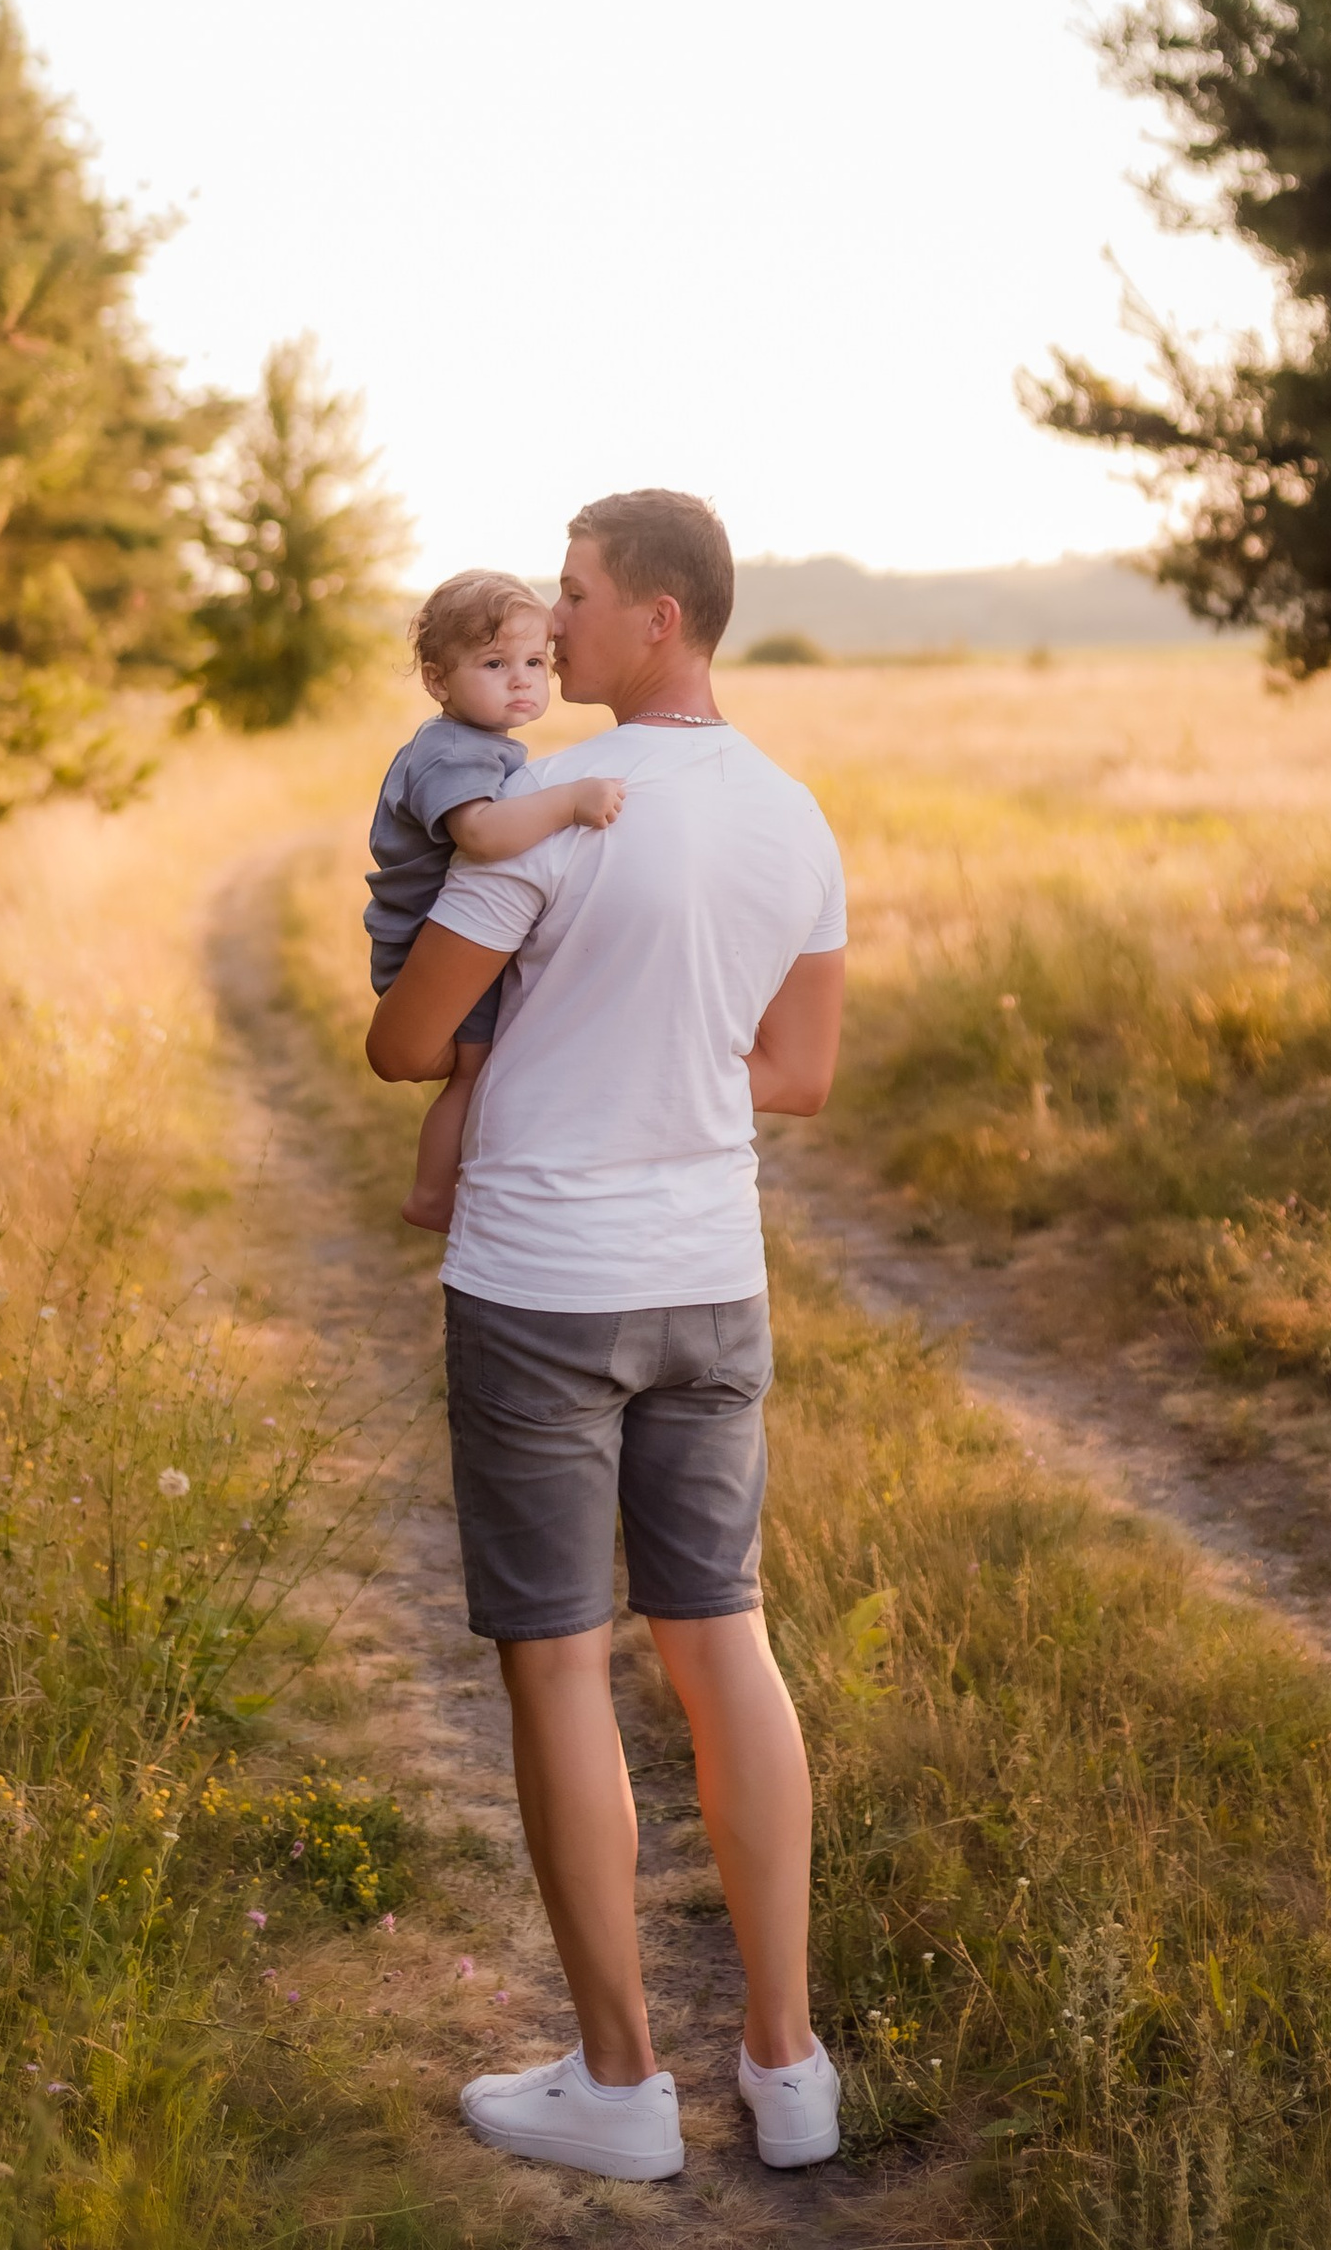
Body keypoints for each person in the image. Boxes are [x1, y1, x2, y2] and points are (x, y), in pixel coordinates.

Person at [366, 488, 849, 2185]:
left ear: (659, 615)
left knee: (561, 1661)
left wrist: (534, 1050)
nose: (550, 627)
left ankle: (624, 2086)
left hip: (546, 1288)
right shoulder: (798, 820)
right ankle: (791, 2073)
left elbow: (405, 1040)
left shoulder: (547, 817)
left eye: (573, 597)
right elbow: (795, 1074)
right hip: (713, 1279)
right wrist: (660, 1064)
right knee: (725, 1643)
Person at [364, 571, 627, 1231]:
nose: (522, 679)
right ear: (436, 679)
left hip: (439, 938)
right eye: (494, 663)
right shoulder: (452, 752)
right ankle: (432, 1195)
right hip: (427, 945)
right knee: (473, 1072)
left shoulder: (474, 744)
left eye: (535, 662)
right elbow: (480, 835)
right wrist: (568, 801)